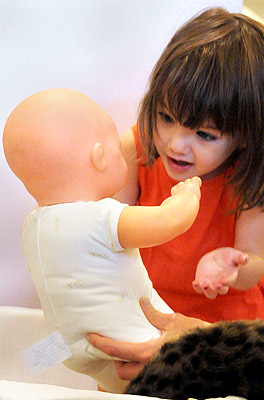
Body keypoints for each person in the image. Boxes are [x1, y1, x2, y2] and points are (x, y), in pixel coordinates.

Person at [87, 6, 264, 381]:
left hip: (226, 320)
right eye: (166, 117)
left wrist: (232, 264)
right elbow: (109, 228)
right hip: (151, 304)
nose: (175, 144)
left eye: (204, 134)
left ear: (246, 135)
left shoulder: (250, 176)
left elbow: (254, 265)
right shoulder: (136, 149)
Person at [2, 88, 204, 393]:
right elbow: (169, 221)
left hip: (76, 347)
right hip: (132, 341)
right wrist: (187, 195)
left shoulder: (33, 225)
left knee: (110, 386)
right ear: (99, 156)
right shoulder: (100, 217)